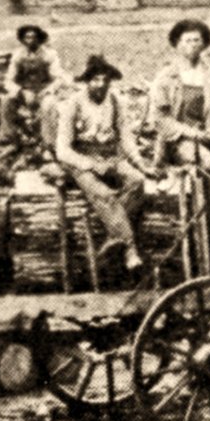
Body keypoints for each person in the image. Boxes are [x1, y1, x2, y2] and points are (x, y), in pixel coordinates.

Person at [55, 55, 158, 274]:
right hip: (80, 159)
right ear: (87, 81)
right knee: (104, 194)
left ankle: (113, 237)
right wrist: (90, 164)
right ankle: (130, 248)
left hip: (110, 156)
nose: (101, 85)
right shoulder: (73, 104)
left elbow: (126, 138)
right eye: (95, 80)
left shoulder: (115, 101)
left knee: (137, 181)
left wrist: (141, 164)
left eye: (105, 80)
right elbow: (62, 150)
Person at [148, 18, 210, 267]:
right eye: (187, 41)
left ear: (204, 44)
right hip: (177, 141)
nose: (193, 46)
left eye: (197, 40)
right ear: (177, 44)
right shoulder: (167, 77)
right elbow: (160, 119)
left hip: (208, 139)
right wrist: (192, 134)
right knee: (209, 165)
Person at [0, 24, 67, 147]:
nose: (31, 40)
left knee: (48, 104)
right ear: (23, 39)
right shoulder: (18, 55)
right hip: (25, 92)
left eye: (34, 37)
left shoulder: (49, 55)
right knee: (6, 100)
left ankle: (49, 142)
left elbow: (58, 78)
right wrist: (21, 91)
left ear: (39, 39)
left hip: (44, 92)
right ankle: (9, 137)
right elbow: (8, 80)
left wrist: (47, 91)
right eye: (27, 37)